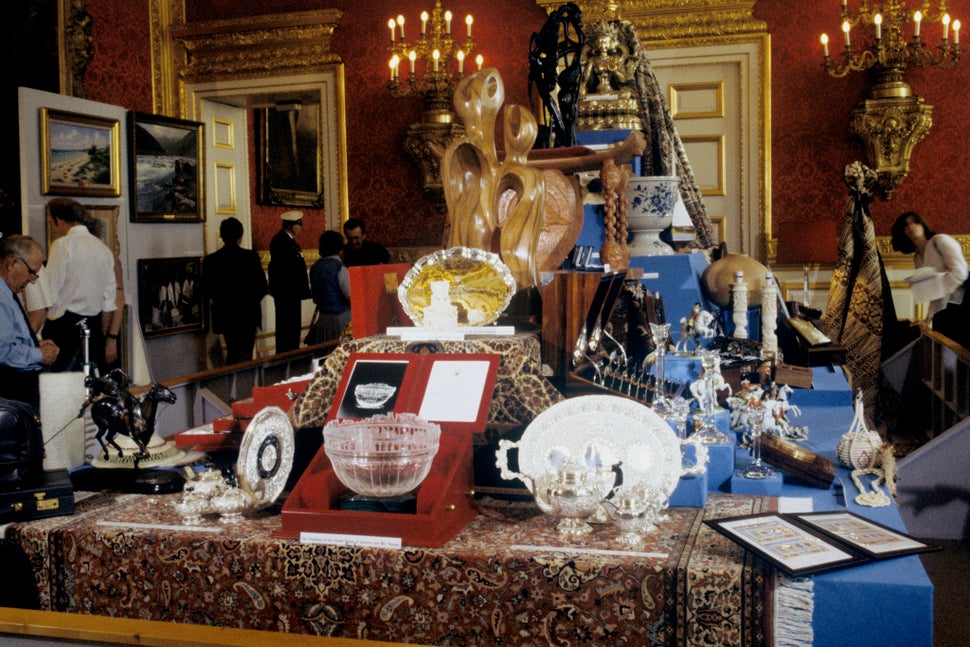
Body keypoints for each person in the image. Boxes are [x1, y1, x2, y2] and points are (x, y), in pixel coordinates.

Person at [42, 198, 116, 374]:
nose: (54, 228)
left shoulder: (62, 245)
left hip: (63, 328)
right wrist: (104, 336)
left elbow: (50, 291)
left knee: (61, 387)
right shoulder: (103, 249)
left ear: (58, 220)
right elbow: (109, 301)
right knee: (89, 383)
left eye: (52, 223)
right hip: (94, 325)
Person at [0, 235, 59, 406]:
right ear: (12, 264)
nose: (33, 280)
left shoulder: (7, 293)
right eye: (32, 272)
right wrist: (38, 354)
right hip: (12, 390)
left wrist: (33, 344)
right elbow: (2, 351)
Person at [203, 217, 268, 365]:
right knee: (245, 355)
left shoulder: (211, 260)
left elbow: (207, 290)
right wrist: (249, 301)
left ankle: (234, 383)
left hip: (226, 315)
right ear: (240, 236)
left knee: (234, 352)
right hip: (248, 314)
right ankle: (241, 385)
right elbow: (262, 286)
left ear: (222, 235)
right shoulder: (251, 257)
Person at [890, 211, 969, 325]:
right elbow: (934, 294)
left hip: (964, 303)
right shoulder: (917, 258)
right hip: (946, 310)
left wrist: (938, 285)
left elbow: (961, 273)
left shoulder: (940, 240)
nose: (911, 227)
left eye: (915, 222)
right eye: (906, 225)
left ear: (922, 225)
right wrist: (928, 319)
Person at [268, 210, 311, 353]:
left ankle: (291, 356)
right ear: (293, 226)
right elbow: (286, 269)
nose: (301, 227)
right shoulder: (281, 241)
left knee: (292, 330)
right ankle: (287, 359)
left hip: (292, 294)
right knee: (287, 330)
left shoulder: (288, 241)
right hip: (287, 294)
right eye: (300, 224)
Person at [307, 230, 352, 344]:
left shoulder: (315, 267)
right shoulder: (340, 268)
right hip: (341, 319)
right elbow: (350, 296)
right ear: (340, 248)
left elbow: (315, 296)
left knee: (324, 354)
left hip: (323, 319)